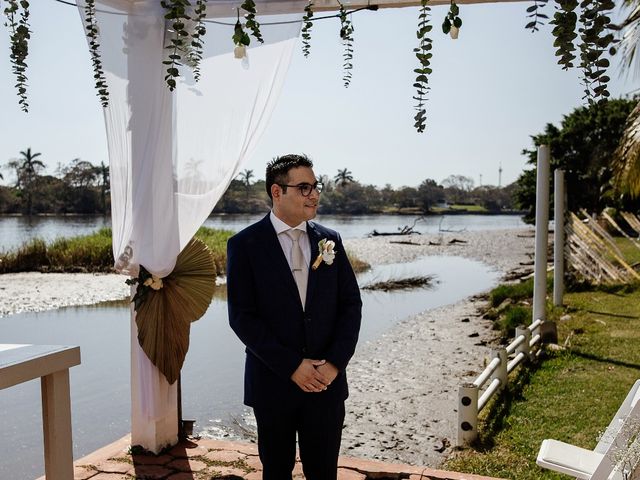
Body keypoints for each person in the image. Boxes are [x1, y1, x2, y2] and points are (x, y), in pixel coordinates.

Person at [227, 154, 362, 480]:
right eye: (304, 187)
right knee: (276, 471)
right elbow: (242, 318)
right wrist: (292, 366)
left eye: (316, 187)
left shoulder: (331, 240)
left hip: (326, 384)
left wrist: (333, 364)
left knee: (323, 471)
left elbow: (351, 306)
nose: (314, 194)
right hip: (272, 384)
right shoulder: (244, 245)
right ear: (277, 192)